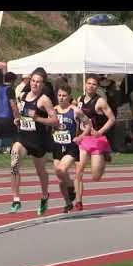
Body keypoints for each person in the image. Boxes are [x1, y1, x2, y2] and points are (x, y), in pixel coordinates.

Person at [9, 69, 59, 215]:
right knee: (14, 160)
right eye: (33, 81)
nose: (35, 84)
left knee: (40, 171)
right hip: (23, 138)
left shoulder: (44, 100)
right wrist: (17, 119)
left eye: (38, 82)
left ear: (42, 84)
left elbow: (55, 121)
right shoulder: (23, 96)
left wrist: (37, 118)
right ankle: (16, 199)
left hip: (38, 141)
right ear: (29, 81)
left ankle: (44, 196)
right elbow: (21, 114)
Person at [75, 75, 116, 211]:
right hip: (83, 139)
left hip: (97, 140)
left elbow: (112, 119)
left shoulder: (100, 102)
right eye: (89, 83)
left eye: (94, 84)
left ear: (97, 87)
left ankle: (104, 154)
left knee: (95, 176)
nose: (91, 86)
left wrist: (100, 132)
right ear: (85, 85)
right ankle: (78, 202)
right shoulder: (79, 100)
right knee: (78, 171)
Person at [52, 84, 92, 213]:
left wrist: (81, 137)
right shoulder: (53, 110)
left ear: (69, 97)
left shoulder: (75, 110)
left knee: (61, 169)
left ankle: (71, 188)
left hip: (71, 147)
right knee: (60, 177)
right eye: (59, 95)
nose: (61, 98)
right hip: (57, 146)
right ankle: (68, 202)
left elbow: (88, 124)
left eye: (64, 95)